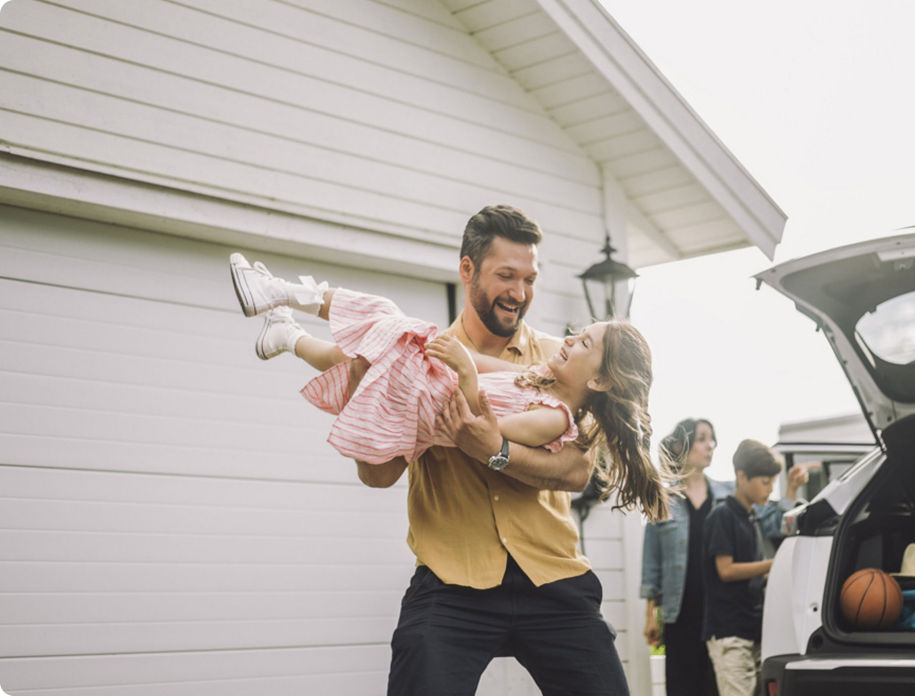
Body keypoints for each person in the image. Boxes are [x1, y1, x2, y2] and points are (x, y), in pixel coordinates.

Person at [236, 204, 665, 695]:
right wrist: (363, 394)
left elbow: (573, 472)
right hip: (452, 578)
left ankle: (289, 327)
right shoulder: (430, 353)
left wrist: (492, 449)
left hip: (550, 574)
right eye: (506, 276)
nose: (519, 293)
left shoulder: (556, 359)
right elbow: (377, 476)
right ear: (468, 270)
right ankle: (288, 330)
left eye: (529, 278)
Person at [227, 253, 660, 481]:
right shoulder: (538, 382)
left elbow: (484, 429)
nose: (570, 338)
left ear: (600, 380)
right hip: (427, 385)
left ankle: (279, 294)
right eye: (578, 332)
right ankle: (284, 334)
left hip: (425, 402)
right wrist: (448, 352)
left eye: (584, 342)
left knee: (381, 314)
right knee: (363, 348)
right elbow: (476, 362)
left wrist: (466, 375)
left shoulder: (554, 419)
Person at [640, 419, 807, 696]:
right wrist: (651, 615)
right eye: (702, 438)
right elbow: (652, 562)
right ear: (682, 444)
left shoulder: (728, 494)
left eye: (713, 439)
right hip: (681, 610)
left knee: (717, 686)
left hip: (721, 608)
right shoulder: (663, 499)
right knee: (683, 686)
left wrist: (790, 491)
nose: (710, 446)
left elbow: (770, 521)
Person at [702, 439, 784, 696]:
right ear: (741, 476)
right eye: (764, 481)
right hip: (729, 632)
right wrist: (772, 564)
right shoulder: (722, 515)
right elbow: (725, 570)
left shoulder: (753, 517)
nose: (770, 489)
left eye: (772, 482)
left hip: (754, 630)